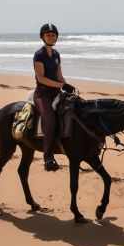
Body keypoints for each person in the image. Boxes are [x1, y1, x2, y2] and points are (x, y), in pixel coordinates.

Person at [33, 23, 75, 171]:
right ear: (42, 37)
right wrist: (61, 86)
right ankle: (48, 157)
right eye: (48, 35)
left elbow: (59, 76)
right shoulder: (39, 54)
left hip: (56, 92)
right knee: (50, 121)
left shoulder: (56, 54)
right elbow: (42, 78)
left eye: (53, 35)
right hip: (42, 94)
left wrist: (67, 86)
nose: (51, 37)